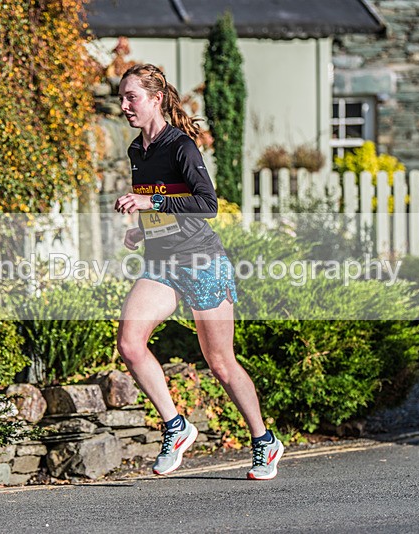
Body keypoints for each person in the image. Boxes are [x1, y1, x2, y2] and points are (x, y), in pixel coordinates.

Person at [113, 64, 283, 480]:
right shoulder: (139, 151)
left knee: (220, 361)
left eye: (131, 97)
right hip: (162, 263)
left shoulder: (180, 147)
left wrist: (150, 205)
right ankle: (176, 426)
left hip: (202, 262)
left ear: (155, 99)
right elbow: (166, 205)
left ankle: (264, 441)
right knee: (130, 344)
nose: (124, 106)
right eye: (122, 98)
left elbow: (207, 204)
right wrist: (141, 231)